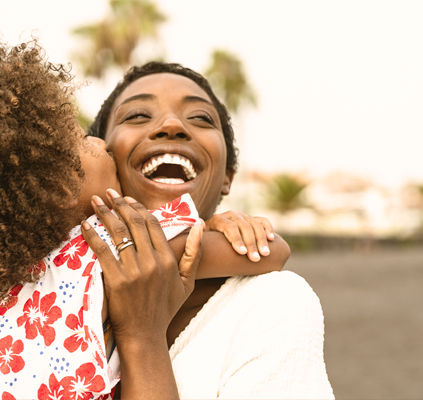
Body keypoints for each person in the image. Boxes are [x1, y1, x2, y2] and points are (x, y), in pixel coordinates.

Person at [0, 38, 290, 399]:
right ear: (57, 188)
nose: (95, 140)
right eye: (79, 140)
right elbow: (266, 251)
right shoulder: (105, 248)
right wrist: (219, 225)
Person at [88, 61, 335, 398]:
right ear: (102, 155)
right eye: (137, 116)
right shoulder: (36, 274)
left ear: (227, 177)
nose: (171, 125)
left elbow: (274, 249)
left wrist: (142, 337)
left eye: (201, 118)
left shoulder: (269, 303)